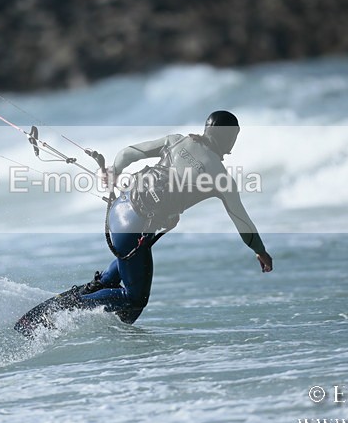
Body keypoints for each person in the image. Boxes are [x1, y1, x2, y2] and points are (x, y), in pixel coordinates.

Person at [70, 110, 273, 324]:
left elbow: (127, 153)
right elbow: (243, 222)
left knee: (130, 262)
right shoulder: (221, 178)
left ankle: (97, 286)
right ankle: (68, 308)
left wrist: (114, 171)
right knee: (135, 299)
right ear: (230, 138)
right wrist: (260, 251)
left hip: (119, 210)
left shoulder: (176, 141)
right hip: (133, 231)